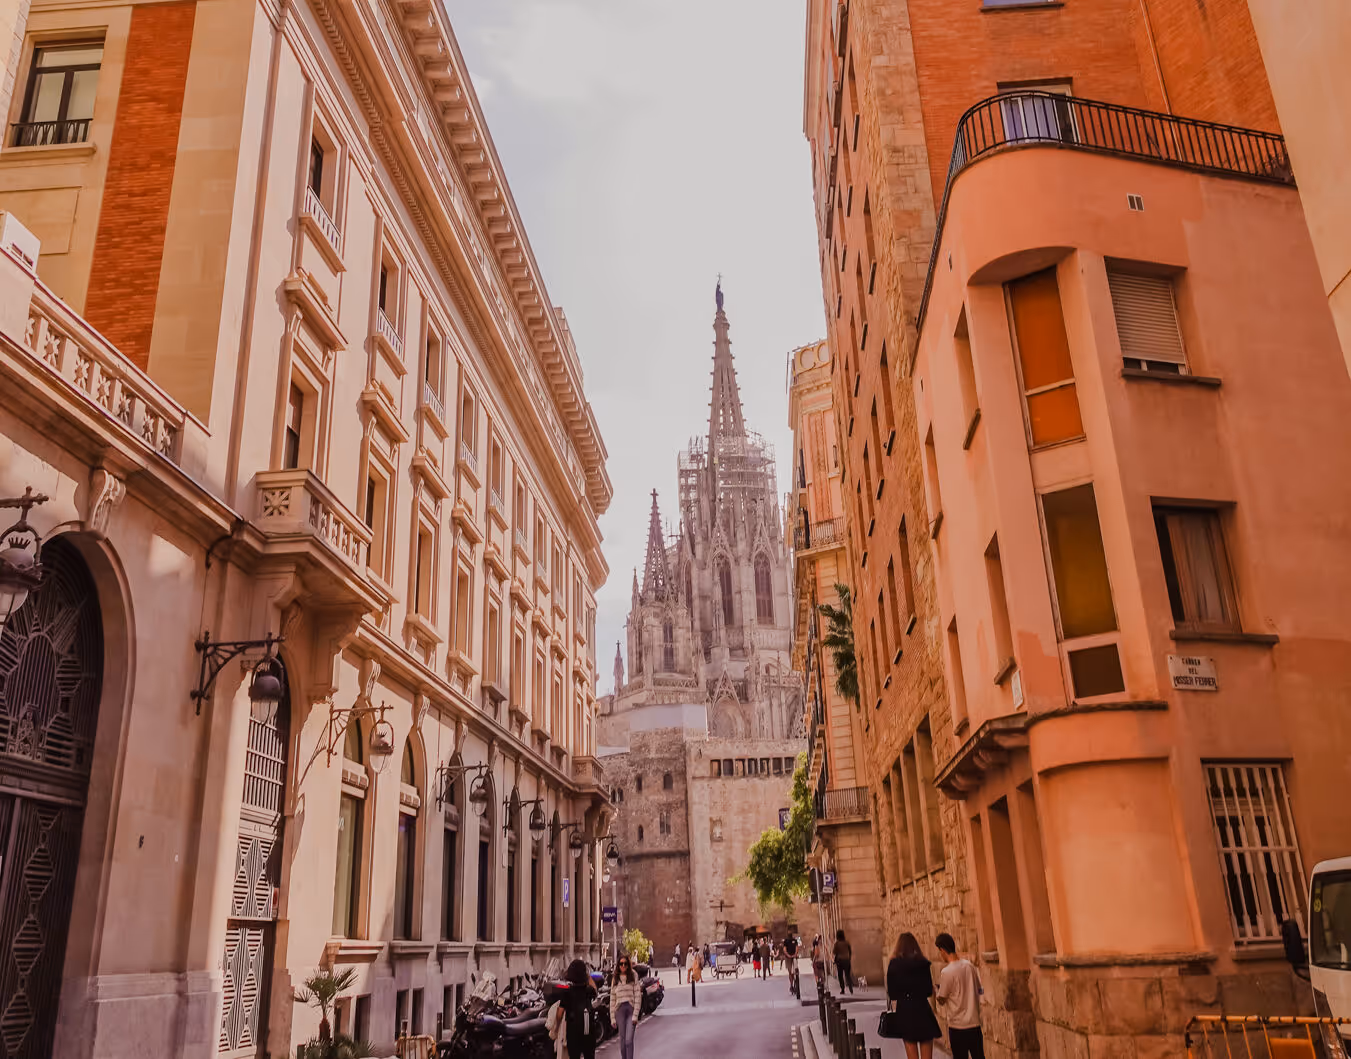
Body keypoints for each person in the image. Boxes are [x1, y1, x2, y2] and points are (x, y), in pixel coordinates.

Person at [886, 932, 942, 1059]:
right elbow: (928, 991)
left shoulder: (894, 965)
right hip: (922, 1010)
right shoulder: (923, 963)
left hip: (905, 1012)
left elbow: (893, 994)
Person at [935, 933, 984, 1059]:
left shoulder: (946, 972)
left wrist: (937, 991)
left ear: (943, 950)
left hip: (957, 1027)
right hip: (974, 1024)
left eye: (940, 951)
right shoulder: (970, 966)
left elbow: (941, 999)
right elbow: (980, 990)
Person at [561, 959, 599, 1059]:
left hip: (573, 1033)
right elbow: (595, 990)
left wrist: (556, 1028)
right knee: (589, 1056)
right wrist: (587, 976)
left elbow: (559, 1013)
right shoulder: (588, 990)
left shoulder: (567, 993)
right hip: (588, 1031)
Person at [610, 954, 642, 1059]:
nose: (623, 966)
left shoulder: (633, 975)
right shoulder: (615, 978)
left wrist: (635, 1015)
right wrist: (612, 1018)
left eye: (625, 964)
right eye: (621, 964)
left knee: (629, 1040)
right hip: (619, 1011)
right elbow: (612, 998)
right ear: (618, 965)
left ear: (628, 965)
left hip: (630, 1009)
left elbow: (637, 995)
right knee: (622, 1041)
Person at [833, 929, 854, 994]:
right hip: (847, 960)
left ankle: (842, 989)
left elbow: (834, 952)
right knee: (848, 975)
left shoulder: (837, 943)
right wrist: (849, 957)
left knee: (840, 976)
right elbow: (850, 951)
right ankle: (850, 987)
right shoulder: (847, 942)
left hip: (840, 961)